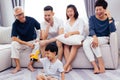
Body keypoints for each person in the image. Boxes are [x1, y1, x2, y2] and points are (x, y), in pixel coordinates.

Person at [83, 0, 116, 74]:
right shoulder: (92, 18)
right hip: (92, 37)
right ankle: (95, 66)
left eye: (100, 9)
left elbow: (113, 30)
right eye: (96, 10)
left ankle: (101, 62)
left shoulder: (109, 19)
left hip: (104, 37)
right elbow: (91, 29)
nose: (98, 11)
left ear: (105, 10)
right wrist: (95, 37)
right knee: (85, 44)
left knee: (92, 42)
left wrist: (109, 17)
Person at [11, 6, 41, 73]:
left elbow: (41, 28)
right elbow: (13, 38)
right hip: (23, 43)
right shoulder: (15, 24)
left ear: (23, 12)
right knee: (13, 44)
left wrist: (38, 38)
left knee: (38, 44)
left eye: (21, 14)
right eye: (18, 15)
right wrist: (27, 43)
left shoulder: (31, 20)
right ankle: (18, 66)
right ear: (15, 16)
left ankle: (30, 65)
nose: (20, 16)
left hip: (33, 41)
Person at [63, 4, 85, 72]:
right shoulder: (66, 22)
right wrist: (67, 35)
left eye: (71, 11)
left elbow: (80, 32)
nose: (69, 13)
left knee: (74, 46)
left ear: (75, 11)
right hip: (70, 40)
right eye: (68, 11)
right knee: (65, 46)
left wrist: (70, 33)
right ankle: (69, 66)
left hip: (80, 39)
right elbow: (66, 33)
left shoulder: (80, 20)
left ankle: (66, 65)